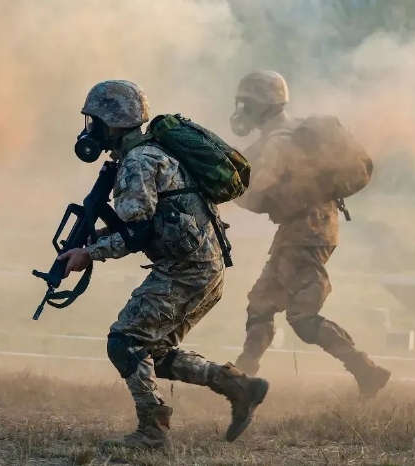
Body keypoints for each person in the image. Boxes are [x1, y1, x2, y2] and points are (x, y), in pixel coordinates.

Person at [58, 79, 269, 452]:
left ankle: (153, 433)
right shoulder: (148, 154)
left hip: (187, 270)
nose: (90, 129)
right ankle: (239, 386)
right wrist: (98, 237)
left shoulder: (137, 162)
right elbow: (144, 221)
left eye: (95, 121)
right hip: (203, 267)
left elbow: (135, 234)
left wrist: (88, 254)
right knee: (155, 353)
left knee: (125, 342)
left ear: (112, 122)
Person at [228, 70, 391, 398]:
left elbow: (259, 193)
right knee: (261, 302)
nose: (242, 110)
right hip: (304, 228)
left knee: (302, 318)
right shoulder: (283, 133)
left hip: (307, 231)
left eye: (247, 103)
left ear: (263, 104)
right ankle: (243, 376)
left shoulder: (279, 142)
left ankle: (366, 370)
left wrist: (227, 191)